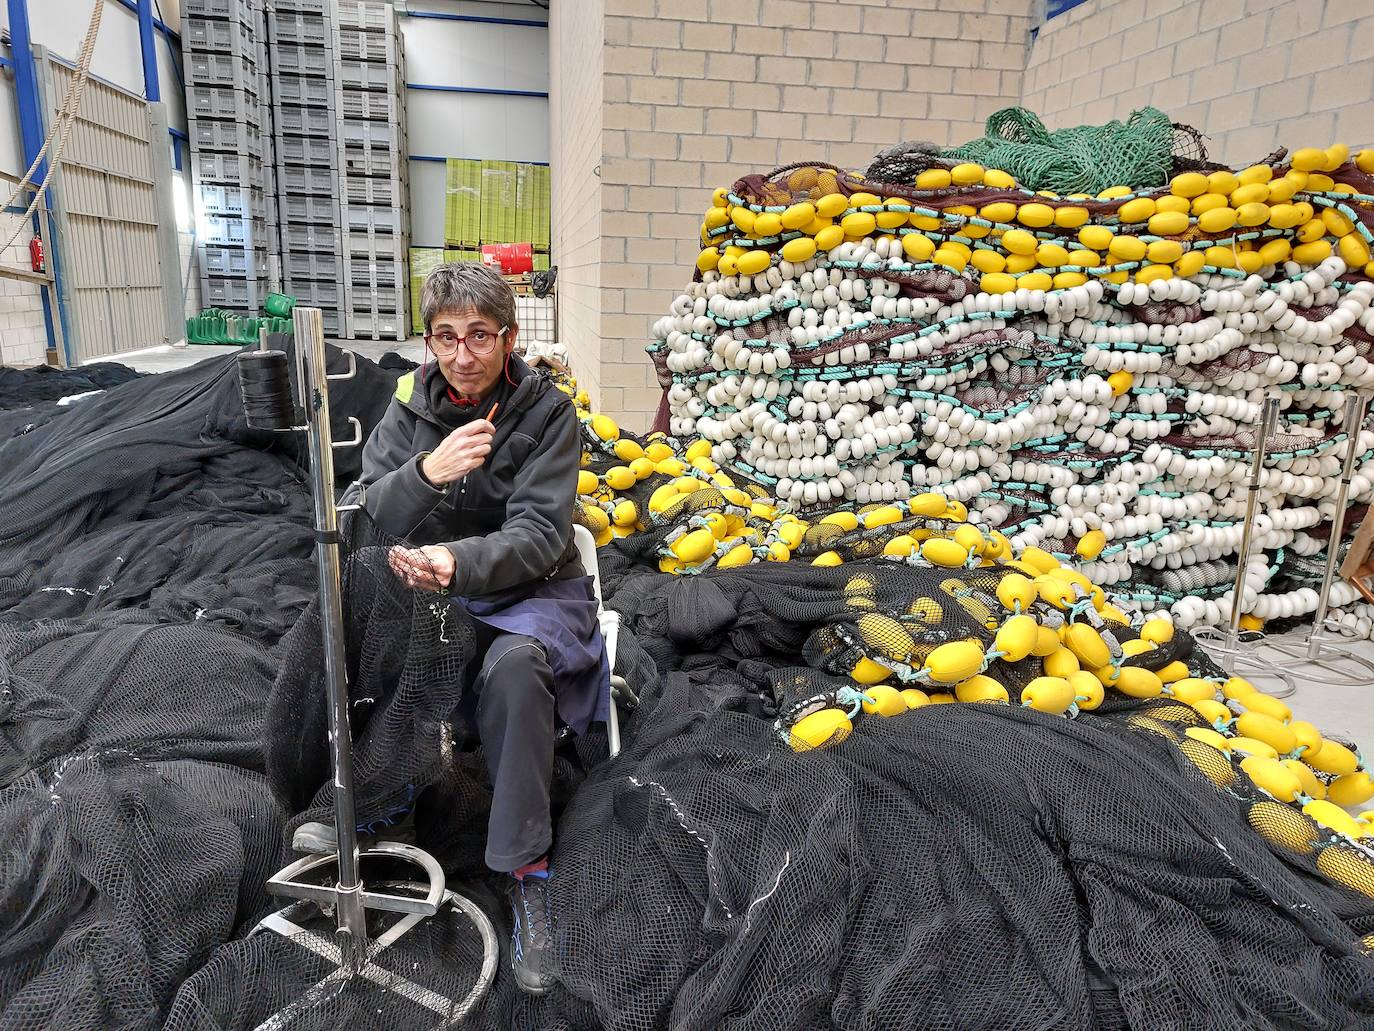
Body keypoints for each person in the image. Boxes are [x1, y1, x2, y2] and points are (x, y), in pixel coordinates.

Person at [293, 262, 607, 995]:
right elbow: (370, 511)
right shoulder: (410, 409)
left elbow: (537, 534)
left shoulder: (546, 413)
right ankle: (382, 804)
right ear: (428, 339)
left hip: (530, 589)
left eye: (479, 336)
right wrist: (428, 472)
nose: (462, 355)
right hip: (433, 589)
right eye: (445, 336)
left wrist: (455, 559)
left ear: (509, 336)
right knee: (363, 627)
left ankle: (526, 869)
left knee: (518, 668)